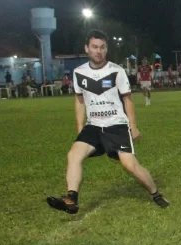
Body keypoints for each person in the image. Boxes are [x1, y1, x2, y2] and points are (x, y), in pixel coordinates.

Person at [46, 29, 169, 214]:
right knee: (73, 155)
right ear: (87, 48)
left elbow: (128, 100)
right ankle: (71, 198)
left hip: (116, 125)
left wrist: (133, 127)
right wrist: (80, 128)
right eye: (94, 47)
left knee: (130, 165)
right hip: (93, 126)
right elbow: (79, 100)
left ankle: (156, 193)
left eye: (102, 47)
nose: (99, 51)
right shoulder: (79, 73)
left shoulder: (116, 71)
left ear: (106, 49)